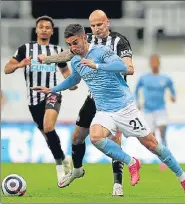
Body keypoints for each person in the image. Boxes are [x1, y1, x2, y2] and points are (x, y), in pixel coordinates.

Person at [32, 24, 185, 193]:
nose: (72, 48)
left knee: (152, 145)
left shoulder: (101, 52)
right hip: (104, 111)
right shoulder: (75, 60)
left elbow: (123, 67)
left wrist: (96, 65)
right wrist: (52, 89)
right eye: (69, 45)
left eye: (75, 43)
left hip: (125, 108)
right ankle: (132, 162)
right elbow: (74, 80)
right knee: (95, 137)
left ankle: (182, 177)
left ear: (84, 37)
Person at [38, 10, 134, 196]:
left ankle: (117, 183)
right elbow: (69, 54)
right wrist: (48, 59)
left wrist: (103, 68)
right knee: (76, 137)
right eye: (93, 26)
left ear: (108, 22)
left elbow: (129, 67)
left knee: (114, 140)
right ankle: (77, 170)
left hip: (115, 99)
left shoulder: (119, 42)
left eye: (100, 24)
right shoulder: (87, 39)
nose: (97, 29)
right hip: (94, 97)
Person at [4, 15, 76, 186]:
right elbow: (7, 69)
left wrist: (71, 83)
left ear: (52, 31)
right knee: (47, 136)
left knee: (49, 126)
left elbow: (65, 72)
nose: (44, 30)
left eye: (47, 27)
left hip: (52, 93)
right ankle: (64, 159)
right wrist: (20, 65)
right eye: (41, 27)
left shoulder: (57, 51)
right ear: (36, 30)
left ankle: (60, 169)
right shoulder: (25, 49)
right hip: (33, 100)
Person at [135, 54, 176, 170]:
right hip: (148, 111)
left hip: (160, 109)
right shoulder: (144, 78)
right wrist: (138, 102)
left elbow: (171, 88)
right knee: (150, 137)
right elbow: (137, 89)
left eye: (156, 61)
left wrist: (173, 96)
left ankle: (165, 161)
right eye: (152, 61)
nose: (154, 64)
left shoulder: (165, 78)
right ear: (150, 63)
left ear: (159, 63)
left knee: (162, 132)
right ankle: (146, 157)